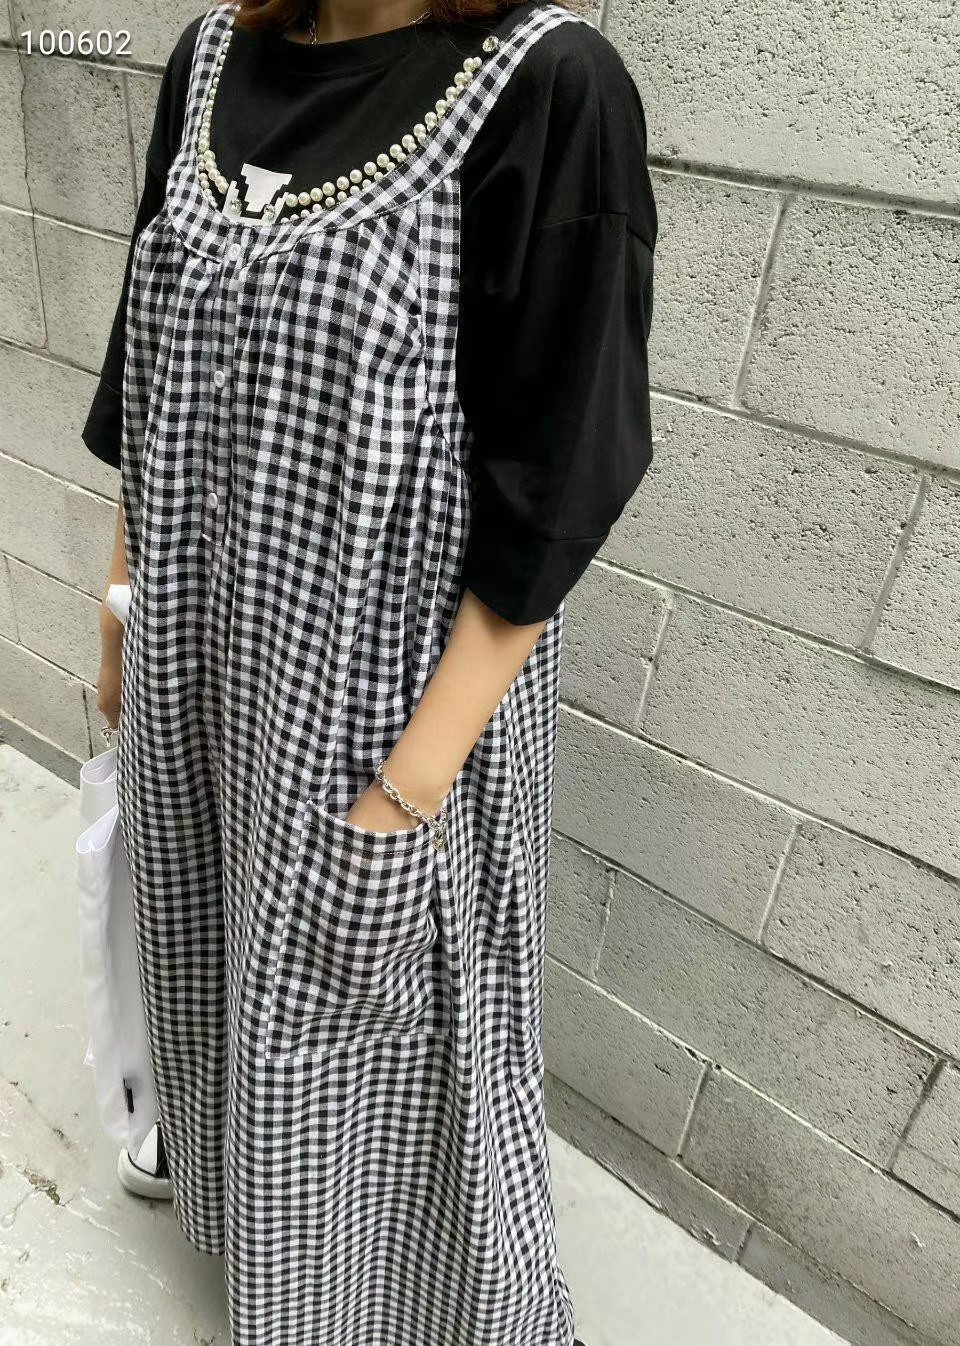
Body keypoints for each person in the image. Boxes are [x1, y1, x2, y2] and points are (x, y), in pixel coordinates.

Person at [85, 0, 657, 1341]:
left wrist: (408, 792)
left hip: (384, 703)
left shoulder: (546, 87)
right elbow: (145, 368)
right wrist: (118, 621)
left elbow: (555, 491)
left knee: (388, 1023)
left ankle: (397, 1306)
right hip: (197, 661)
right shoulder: (209, 59)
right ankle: (234, 1205)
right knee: (208, 944)